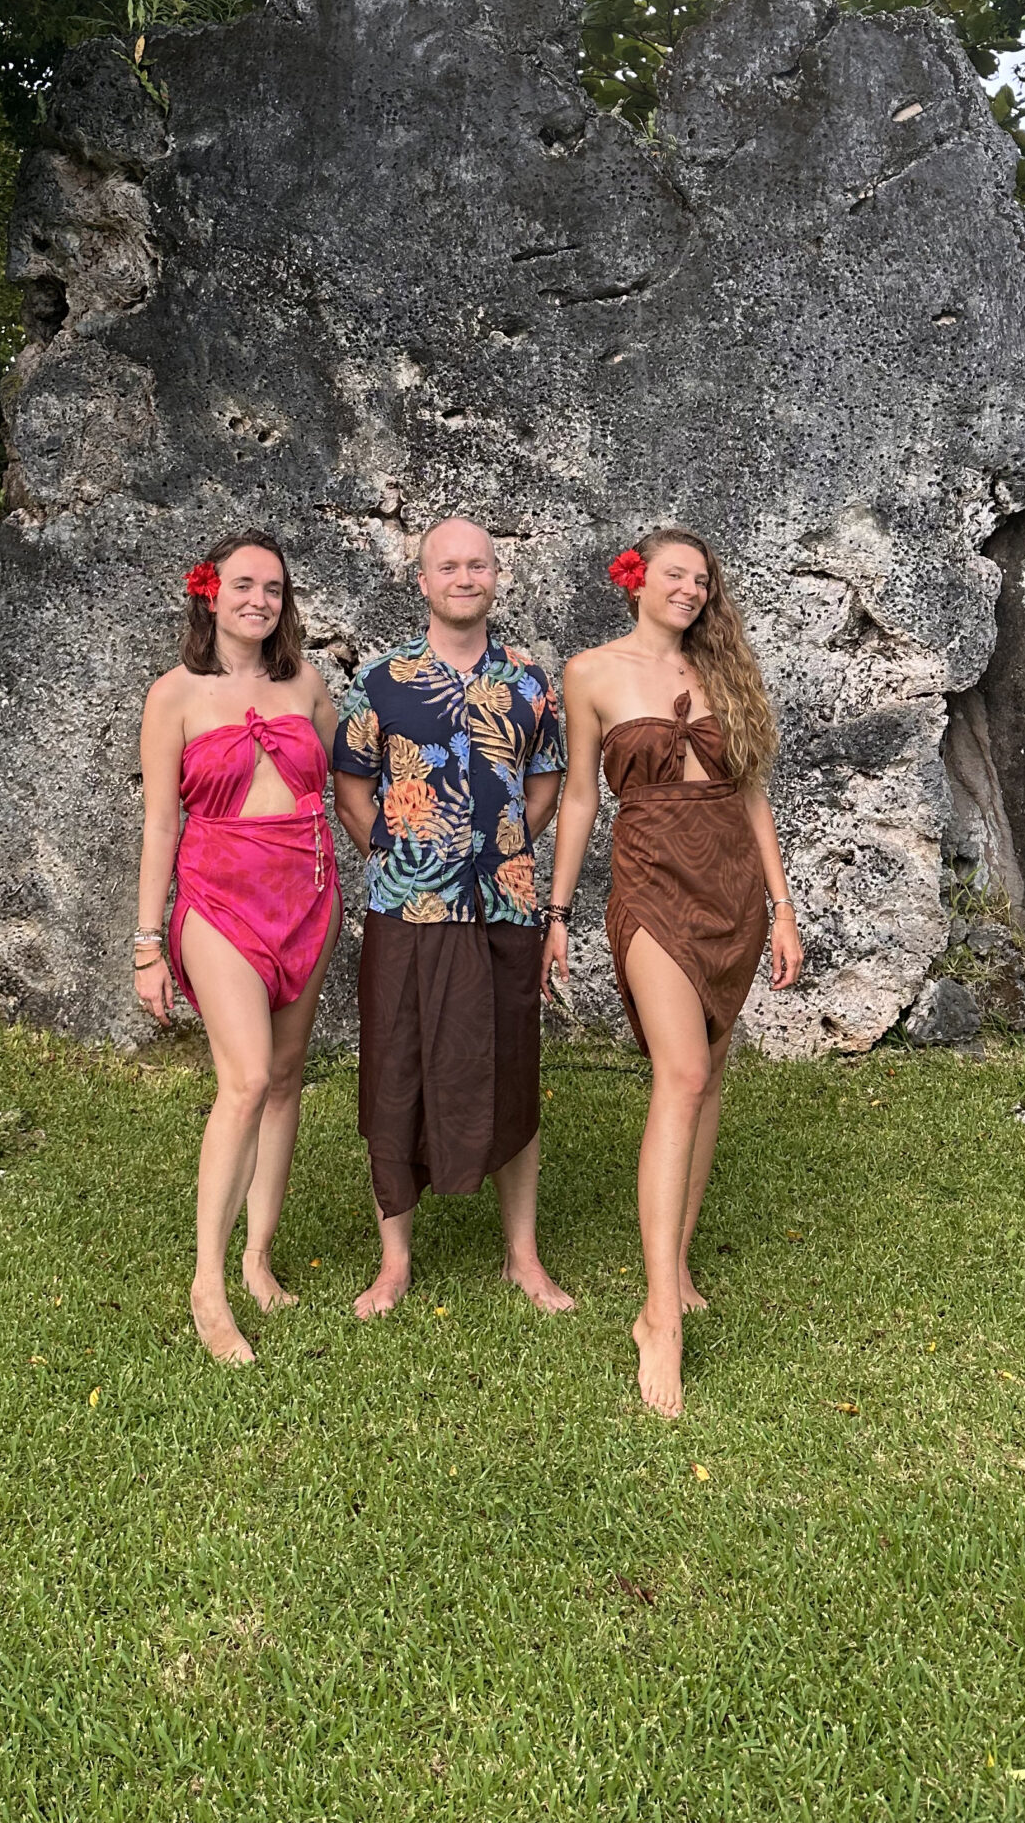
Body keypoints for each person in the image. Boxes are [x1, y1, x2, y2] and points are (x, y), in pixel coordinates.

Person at [543, 528, 803, 1419]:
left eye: (702, 579)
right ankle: (658, 1315)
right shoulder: (590, 673)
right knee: (681, 1072)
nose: (690, 589)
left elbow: (752, 792)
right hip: (651, 880)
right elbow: (582, 797)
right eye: (675, 575)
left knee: (711, 1073)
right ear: (637, 579)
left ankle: (678, 1262)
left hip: (731, 883)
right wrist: (556, 913)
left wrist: (781, 905)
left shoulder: (727, 670)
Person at [331, 517, 573, 1321]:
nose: (464, 578)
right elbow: (351, 788)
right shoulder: (381, 681)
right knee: (395, 1067)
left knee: (512, 1064)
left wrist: (502, 848)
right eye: (449, 567)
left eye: (478, 565)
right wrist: (402, 854)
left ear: (495, 575)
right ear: (423, 581)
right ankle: (394, 1261)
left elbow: (546, 782)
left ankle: (521, 1255)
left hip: (506, 904)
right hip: (407, 907)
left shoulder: (530, 682)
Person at [134, 530, 341, 1366]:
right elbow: (160, 823)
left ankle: (258, 1258)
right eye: (245, 584)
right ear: (210, 593)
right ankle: (208, 1285)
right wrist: (147, 944)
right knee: (248, 1078)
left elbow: (345, 788)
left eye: (274, 588)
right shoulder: (174, 695)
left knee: (286, 1078)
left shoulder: (308, 685)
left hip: (309, 894)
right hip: (219, 899)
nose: (260, 600)